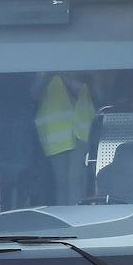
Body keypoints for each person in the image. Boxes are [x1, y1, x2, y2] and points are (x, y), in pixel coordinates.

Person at [34, 73, 95, 204]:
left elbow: (95, 91)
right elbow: (34, 94)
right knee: (62, 183)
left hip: (79, 130)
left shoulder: (81, 65)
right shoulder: (45, 73)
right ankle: (67, 218)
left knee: (75, 180)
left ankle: (76, 219)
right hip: (57, 132)